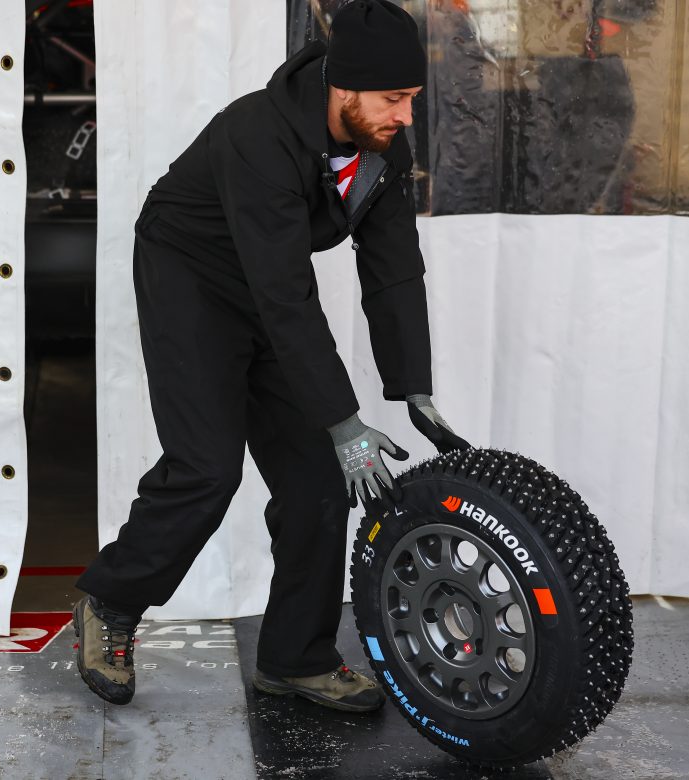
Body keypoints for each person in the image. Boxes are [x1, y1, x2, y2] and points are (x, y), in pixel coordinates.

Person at [73, 0, 470, 713]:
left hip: (270, 280)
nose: (406, 115)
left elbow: (393, 269)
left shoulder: (383, 146)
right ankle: (111, 600)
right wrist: (346, 423)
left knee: (319, 476)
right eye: (393, 98)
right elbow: (286, 297)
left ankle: (296, 658)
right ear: (344, 88)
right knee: (208, 468)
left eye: (412, 98)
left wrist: (414, 387)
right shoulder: (258, 133)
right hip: (192, 276)